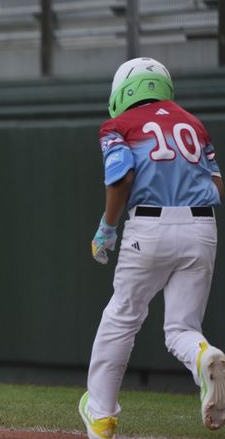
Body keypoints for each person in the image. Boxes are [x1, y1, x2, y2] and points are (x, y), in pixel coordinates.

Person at [81, 57, 225, 439]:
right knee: (182, 327)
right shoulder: (194, 123)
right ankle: (204, 356)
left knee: (122, 317)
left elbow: (121, 176)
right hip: (202, 225)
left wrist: (107, 227)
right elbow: (217, 184)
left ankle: (101, 416)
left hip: (150, 223)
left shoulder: (118, 125)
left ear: (124, 91)